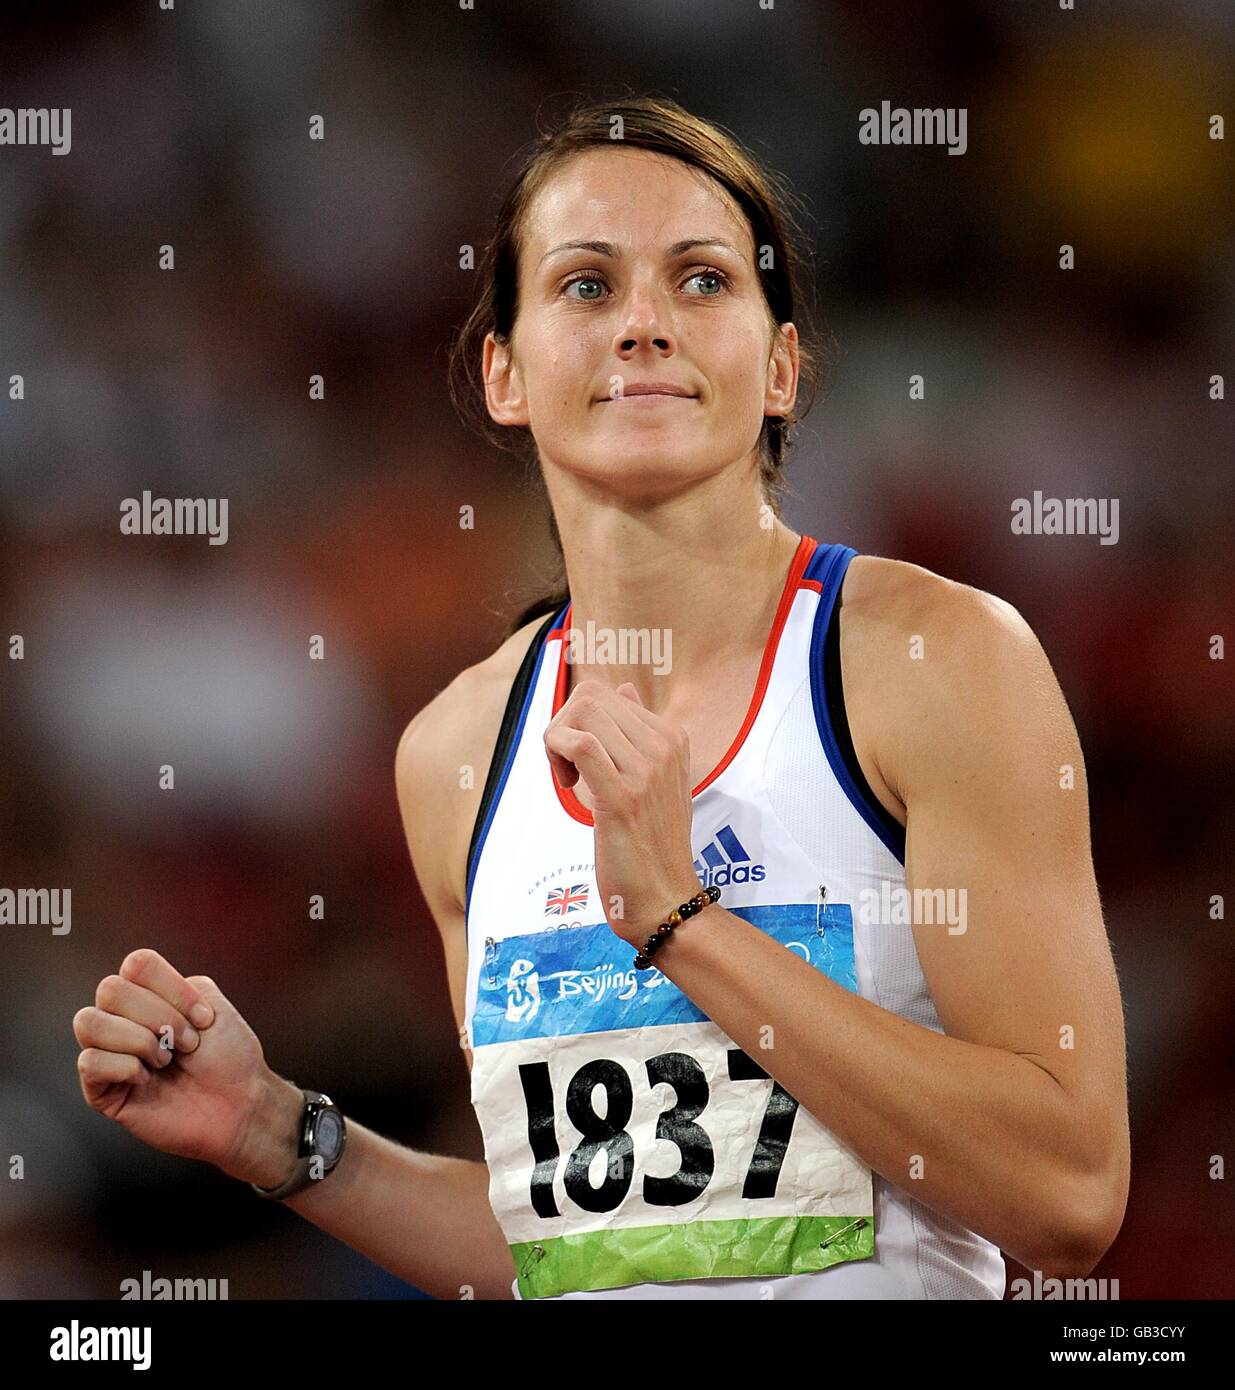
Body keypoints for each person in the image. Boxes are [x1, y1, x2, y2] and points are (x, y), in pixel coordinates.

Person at [73, 95, 1129, 1301]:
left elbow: (1067, 1195)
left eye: (699, 280)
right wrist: (284, 1136)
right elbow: (570, 1238)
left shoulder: (930, 661)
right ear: (504, 373)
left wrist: (685, 922)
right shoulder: (455, 755)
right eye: (585, 284)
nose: (641, 324)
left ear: (779, 365)